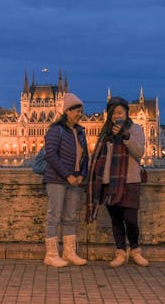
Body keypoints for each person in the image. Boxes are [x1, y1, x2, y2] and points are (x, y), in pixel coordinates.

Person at [86, 96, 149, 267]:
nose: (116, 116)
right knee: (116, 220)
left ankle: (135, 250)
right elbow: (99, 157)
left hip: (129, 181)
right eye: (113, 113)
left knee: (130, 219)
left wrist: (125, 135)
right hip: (109, 182)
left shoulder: (135, 129)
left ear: (127, 113)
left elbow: (139, 152)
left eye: (120, 112)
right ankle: (120, 252)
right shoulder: (105, 133)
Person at [42, 93, 89, 267]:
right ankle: (51, 254)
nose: (80, 114)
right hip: (57, 180)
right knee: (54, 216)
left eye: (81, 111)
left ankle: (69, 253)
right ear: (67, 111)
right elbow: (51, 155)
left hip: (76, 180)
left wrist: (82, 174)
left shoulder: (80, 132)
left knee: (70, 217)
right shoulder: (55, 130)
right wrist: (67, 175)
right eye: (77, 111)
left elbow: (86, 157)